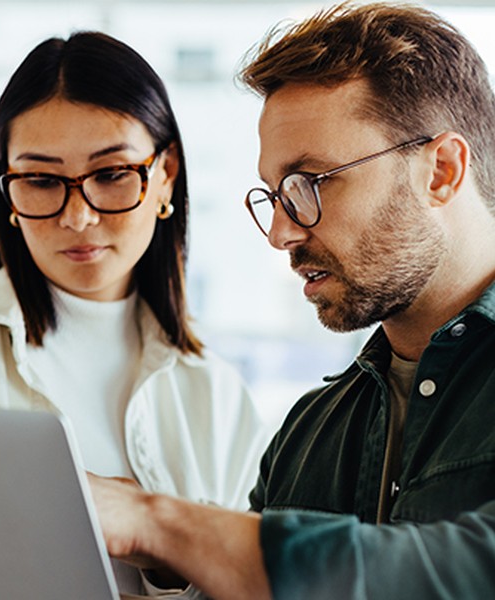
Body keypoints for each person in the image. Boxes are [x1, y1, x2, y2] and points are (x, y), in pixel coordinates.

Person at [86, 3, 495, 599]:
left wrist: (158, 521)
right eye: (275, 195)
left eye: (310, 184)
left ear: (442, 171)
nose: (282, 232)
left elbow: (464, 572)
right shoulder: (309, 431)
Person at [0, 31, 269, 596]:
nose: (78, 216)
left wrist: (165, 546)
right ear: (8, 193)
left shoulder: (218, 398)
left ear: (165, 173)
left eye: (112, 174)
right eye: (42, 181)